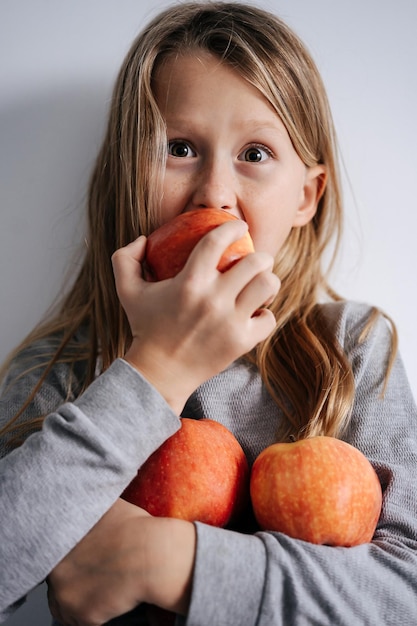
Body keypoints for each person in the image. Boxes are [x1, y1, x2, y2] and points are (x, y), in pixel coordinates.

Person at [1, 1, 416, 625]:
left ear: (306, 196)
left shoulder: (350, 347)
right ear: (127, 175)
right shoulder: (64, 367)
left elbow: (405, 588)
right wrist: (158, 369)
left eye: (255, 154)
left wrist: (167, 560)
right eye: (179, 147)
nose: (216, 194)